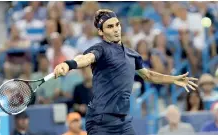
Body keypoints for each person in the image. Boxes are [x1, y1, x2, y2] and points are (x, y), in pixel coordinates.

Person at [53, 9, 198, 135]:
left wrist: (173, 79)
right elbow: (86, 58)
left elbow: (148, 75)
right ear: (100, 31)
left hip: (122, 121)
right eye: (110, 27)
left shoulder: (132, 55)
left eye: (117, 24)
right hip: (100, 121)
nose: (116, 29)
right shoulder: (101, 49)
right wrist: (68, 64)